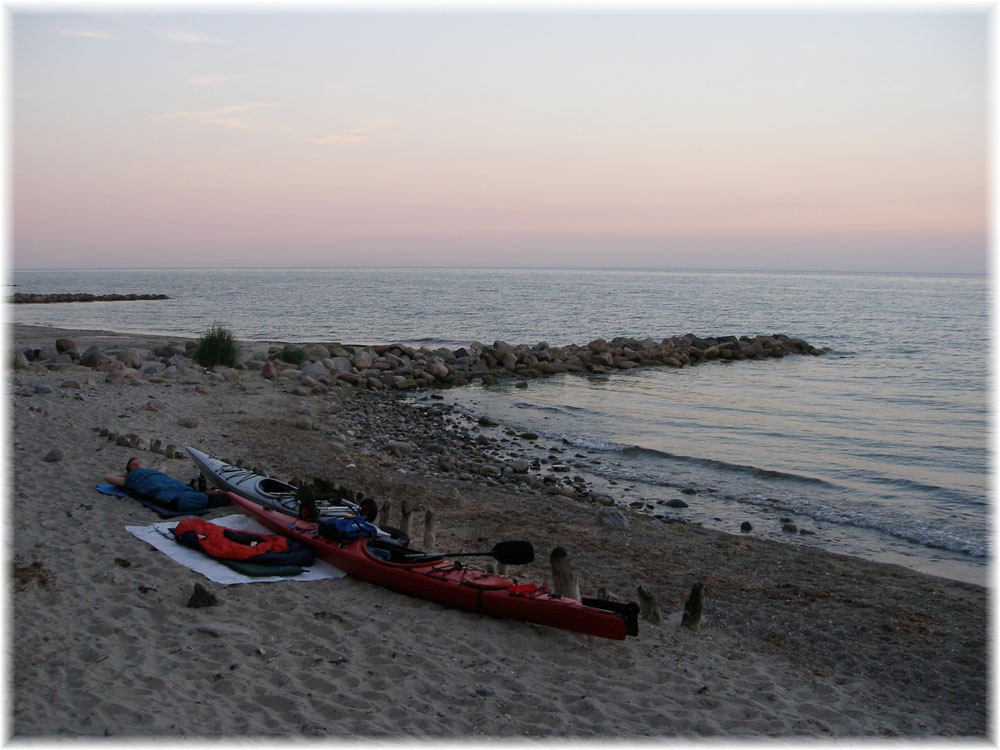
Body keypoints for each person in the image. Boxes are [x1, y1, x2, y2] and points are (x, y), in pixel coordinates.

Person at [105, 458, 228, 512]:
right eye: (134, 465)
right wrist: (130, 473)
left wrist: (147, 470)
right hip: (169, 496)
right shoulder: (130, 479)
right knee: (201, 498)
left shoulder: (154, 472)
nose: (137, 466)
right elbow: (108, 477)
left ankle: (214, 496)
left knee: (189, 490)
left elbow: (163, 467)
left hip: (174, 487)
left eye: (138, 463)